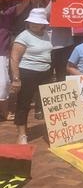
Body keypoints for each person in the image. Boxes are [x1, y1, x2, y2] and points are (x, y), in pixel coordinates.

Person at [9, 8, 53, 144]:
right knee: (24, 103)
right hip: (28, 72)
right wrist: (16, 79)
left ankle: (54, 130)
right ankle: (22, 134)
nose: (34, 24)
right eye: (32, 21)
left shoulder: (47, 34)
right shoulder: (24, 36)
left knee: (48, 102)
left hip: (45, 71)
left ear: (43, 24)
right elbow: (14, 58)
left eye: (38, 22)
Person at [0, 0, 32, 121]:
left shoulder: (7, 14)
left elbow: (25, 3)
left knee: (3, 84)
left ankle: (4, 111)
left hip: (1, 54)